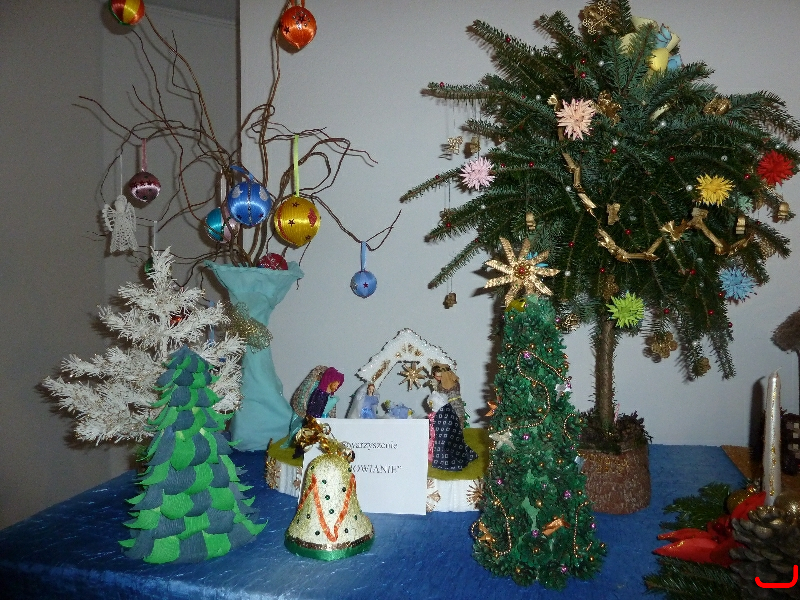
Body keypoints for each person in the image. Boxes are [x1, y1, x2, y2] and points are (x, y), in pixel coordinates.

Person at [427, 391, 478, 471]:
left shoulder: (445, 416)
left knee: (447, 446)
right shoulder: (447, 411)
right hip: (446, 438)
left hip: (446, 442)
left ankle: (446, 461)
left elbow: (443, 438)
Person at [430, 363, 465, 427]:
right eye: (436, 376)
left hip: (455, 407)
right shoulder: (441, 384)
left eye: (440, 376)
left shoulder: (451, 384)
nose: (437, 378)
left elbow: (445, 395)